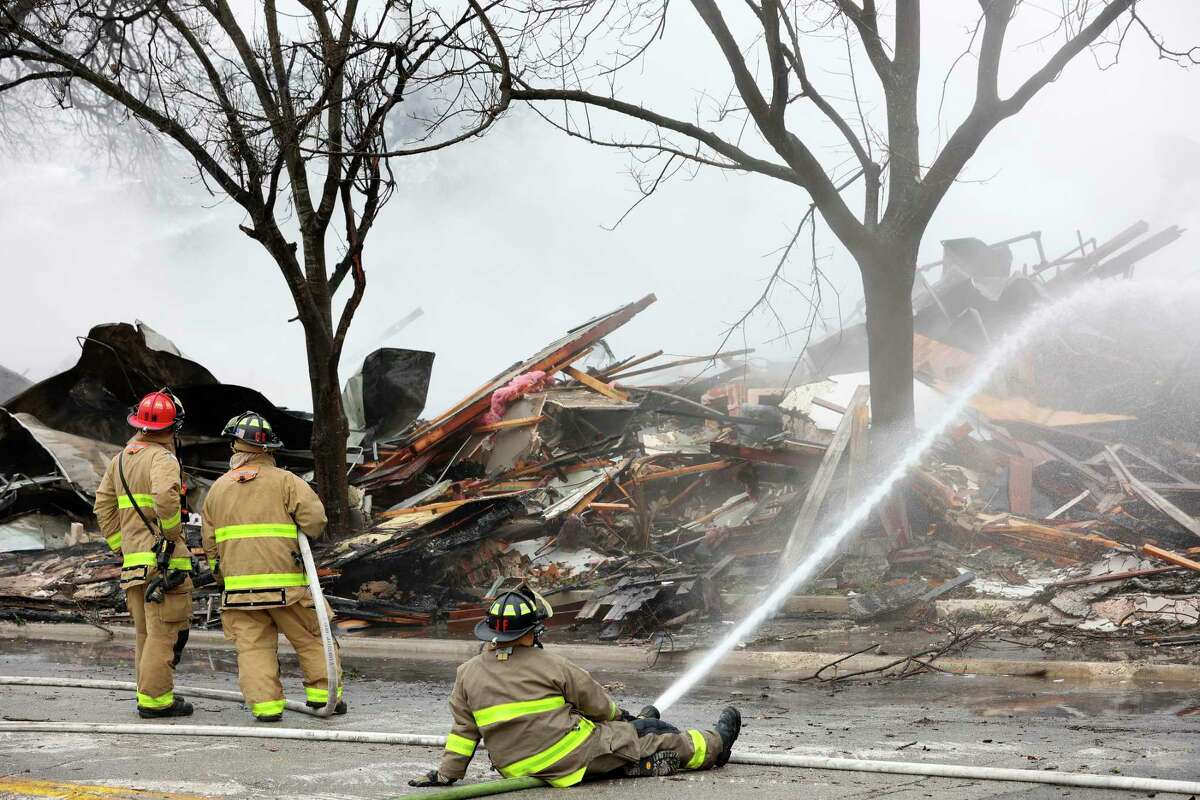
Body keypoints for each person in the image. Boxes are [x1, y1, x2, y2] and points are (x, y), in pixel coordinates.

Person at [410, 584, 740, 788]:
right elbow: (597, 705)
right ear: (530, 632)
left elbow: (463, 733)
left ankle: (640, 728)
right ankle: (715, 745)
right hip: (570, 756)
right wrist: (621, 718)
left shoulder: (466, 673)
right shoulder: (552, 665)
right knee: (651, 741)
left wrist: (445, 775)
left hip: (514, 767)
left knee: (636, 728)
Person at [201, 411, 343, 722]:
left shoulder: (217, 489)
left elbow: (210, 545)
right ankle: (323, 698)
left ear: (235, 448)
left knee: (253, 649)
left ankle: (266, 709)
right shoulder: (287, 482)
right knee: (311, 637)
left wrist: (221, 576)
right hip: (287, 588)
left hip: (239, 592)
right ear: (269, 449)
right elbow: (316, 523)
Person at [94, 389, 194, 718]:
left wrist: (122, 548)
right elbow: (166, 497)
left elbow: (102, 507)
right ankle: (155, 699)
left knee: (145, 634)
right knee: (165, 633)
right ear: (171, 427)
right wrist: (171, 534)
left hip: (135, 564)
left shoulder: (120, 460)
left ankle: (147, 691)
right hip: (163, 564)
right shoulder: (162, 458)